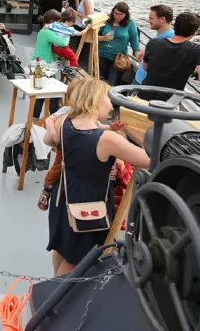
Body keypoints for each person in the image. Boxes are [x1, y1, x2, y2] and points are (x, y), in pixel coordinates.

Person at [44, 78, 150, 276]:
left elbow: (50, 139)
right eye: (109, 99)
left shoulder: (65, 121)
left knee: (63, 247)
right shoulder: (107, 140)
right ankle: (56, 301)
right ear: (96, 100)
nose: (112, 105)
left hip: (63, 195)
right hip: (88, 206)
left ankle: (52, 286)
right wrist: (131, 129)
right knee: (77, 260)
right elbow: (147, 160)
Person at [36, 78, 129, 210]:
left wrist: (111, 128)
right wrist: (56, 135)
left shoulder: (89, 117)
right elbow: (49, 120)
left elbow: (99, 126)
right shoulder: (66, 112)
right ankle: (46, 190)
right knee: (57, 168)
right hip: (67, 146)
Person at [140, 12, 200, 101]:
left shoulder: (153, 42)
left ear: (175, 27)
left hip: (143, 98)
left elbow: (145, 67)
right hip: (168, 104)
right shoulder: (197, 49)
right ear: (194, 32)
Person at [29, 10, 72, 119]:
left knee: (40, 95)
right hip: (43, 66)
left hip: (41, 64)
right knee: (52, 95)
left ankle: (35, 120)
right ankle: (53, 119)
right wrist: (67, 35)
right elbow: (62, 43)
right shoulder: (48, 32)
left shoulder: (43, 31)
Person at [98, 2, 141, 86]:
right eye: (115, 13)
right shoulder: (106, 21)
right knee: (100, 81)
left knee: (111, 83)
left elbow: (134, 43)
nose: (117, 16)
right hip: (102, 55)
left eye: (120, 14)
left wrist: (139, 58)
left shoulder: (130, 24)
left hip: (117, 59)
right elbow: (93, 36)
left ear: (125, 14)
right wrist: (101, 38)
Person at [133, 4, 174, 84]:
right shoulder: (161, 34)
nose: (148, 21)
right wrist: (146, 49)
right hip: (140, 78)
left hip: (146, 83)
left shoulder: (170, 39)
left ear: (162, 19)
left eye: (151, 18)